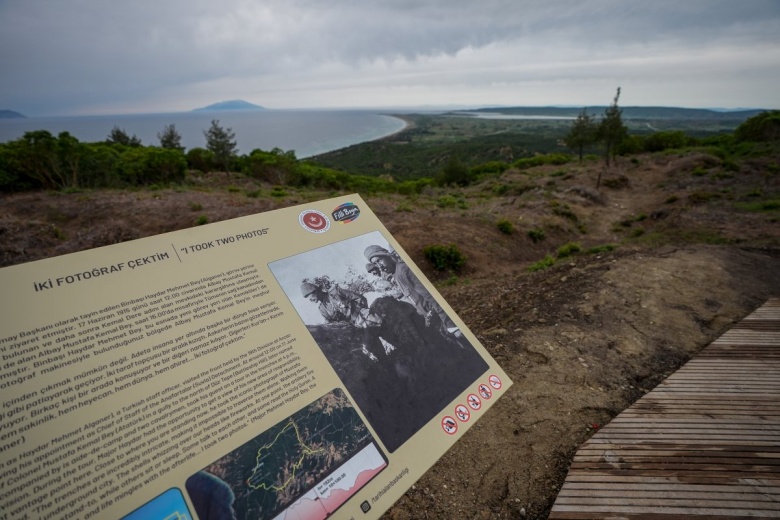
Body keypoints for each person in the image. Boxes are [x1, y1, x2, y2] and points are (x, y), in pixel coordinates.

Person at [363, 245, 459, 338]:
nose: (379, 266)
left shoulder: (404, 270)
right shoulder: (396, 275)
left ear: (386, 256)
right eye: (375, 264)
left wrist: (451, 325)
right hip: (434, 320)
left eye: (379, 261)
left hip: (442, 319)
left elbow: (432, 297)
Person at [301, 280, 369, 327]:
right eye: (306, 297)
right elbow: (331, 324)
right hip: (353, 329)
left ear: (315, 291)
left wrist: (359, 315)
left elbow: (360, 298)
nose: (309, 299)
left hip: (364, 320)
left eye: (308, 295)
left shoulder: (336, 292)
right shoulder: (322, 309)